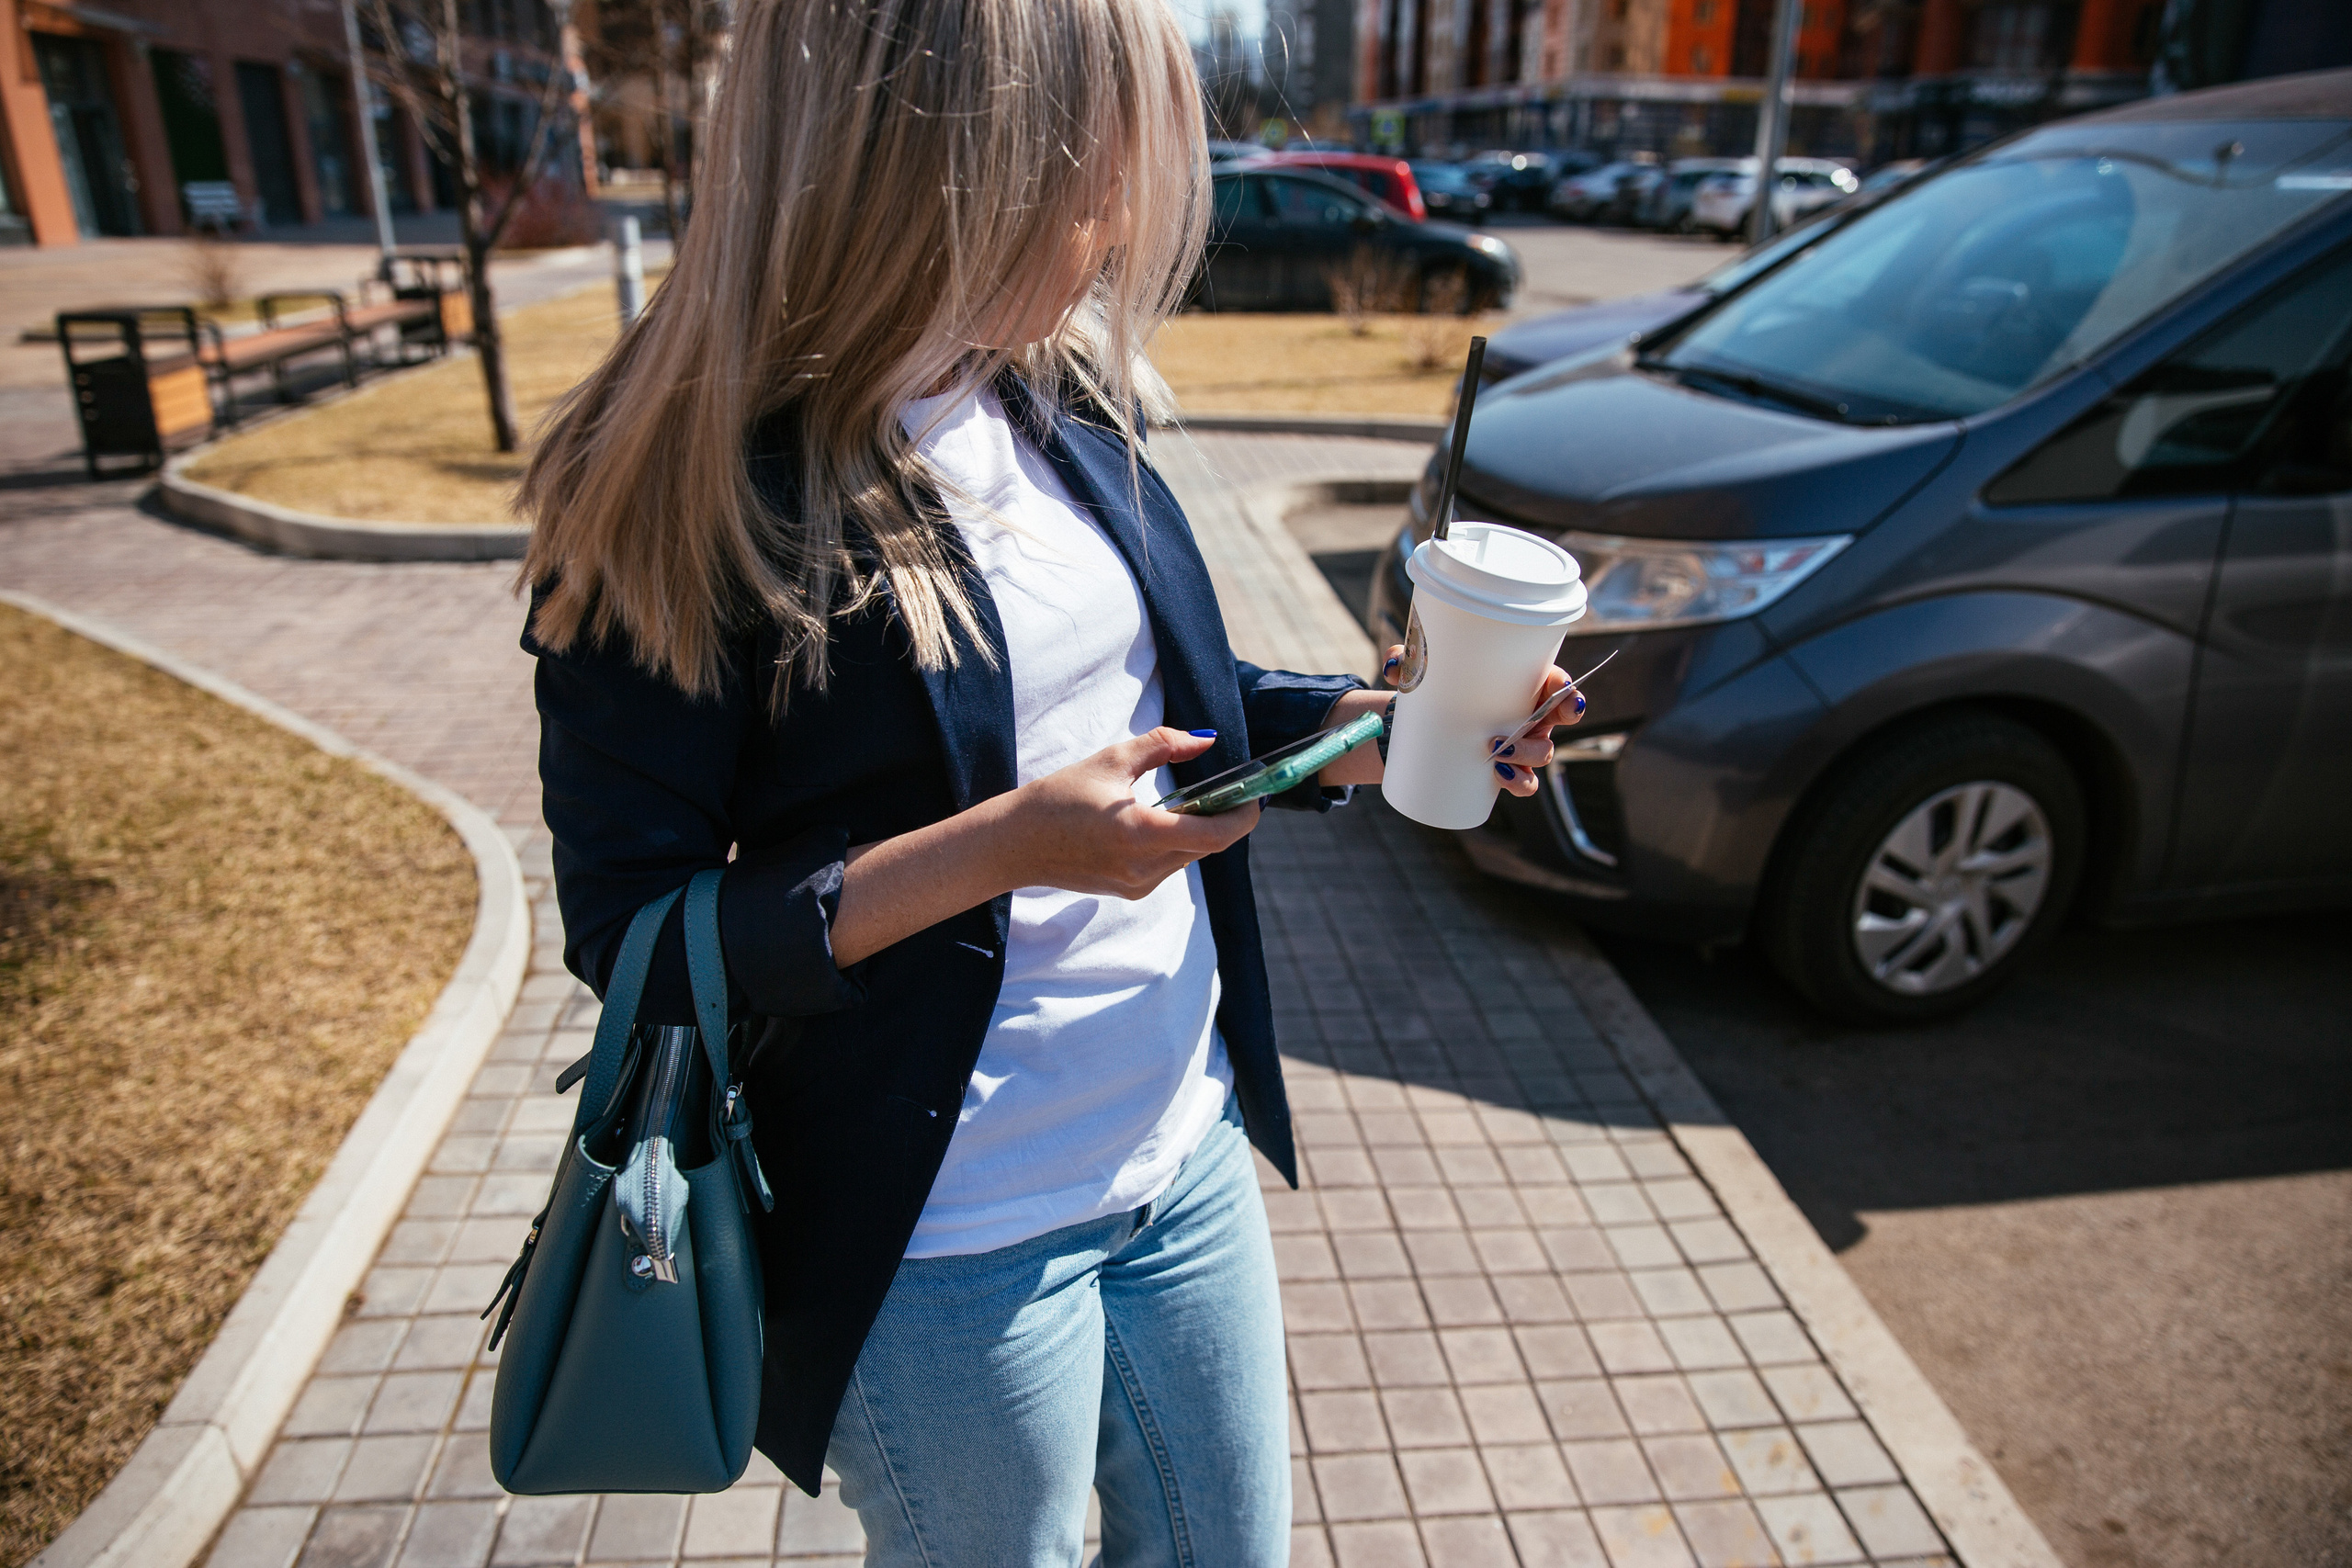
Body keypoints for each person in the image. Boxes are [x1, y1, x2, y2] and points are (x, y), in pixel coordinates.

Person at [516, 0, 1567, 1561]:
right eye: (1087, 173)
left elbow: (1156, 711)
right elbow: (635, 937)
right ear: (937, 167)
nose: (1125, 216)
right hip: (944, 1238)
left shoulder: (1045, 392)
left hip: (1182, 1147)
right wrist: (1004, 849)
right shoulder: (683, 480)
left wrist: (1382, 717)